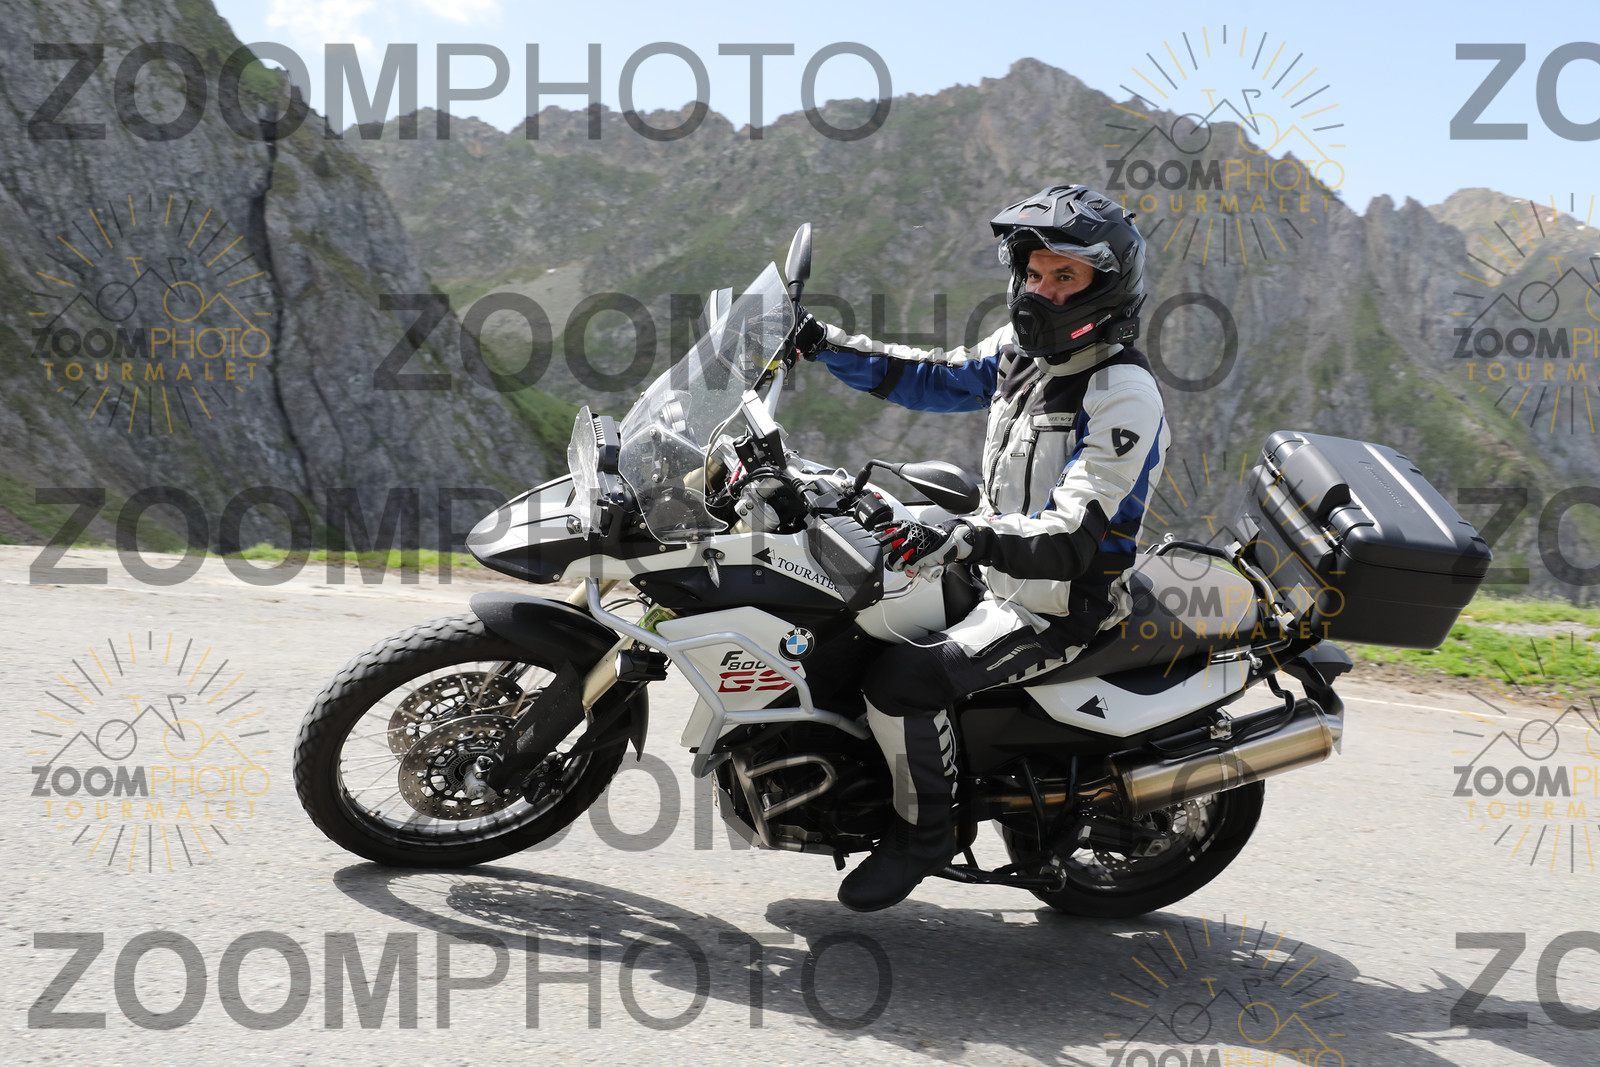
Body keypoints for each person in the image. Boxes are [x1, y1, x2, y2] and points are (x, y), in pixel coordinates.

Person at [791, 184, 1170, 912]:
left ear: (1107, 285)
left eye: (1064, 276)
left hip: (1054, 604)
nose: (1040, 290)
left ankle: (925, 832)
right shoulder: (1022, 353)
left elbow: (1073, 535)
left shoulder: (1122, 393)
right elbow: (933, 377)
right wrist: (823, 345)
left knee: (902, 680)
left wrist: (964, 536)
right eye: (1035, 272)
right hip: (994, 567)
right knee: (844, 612)